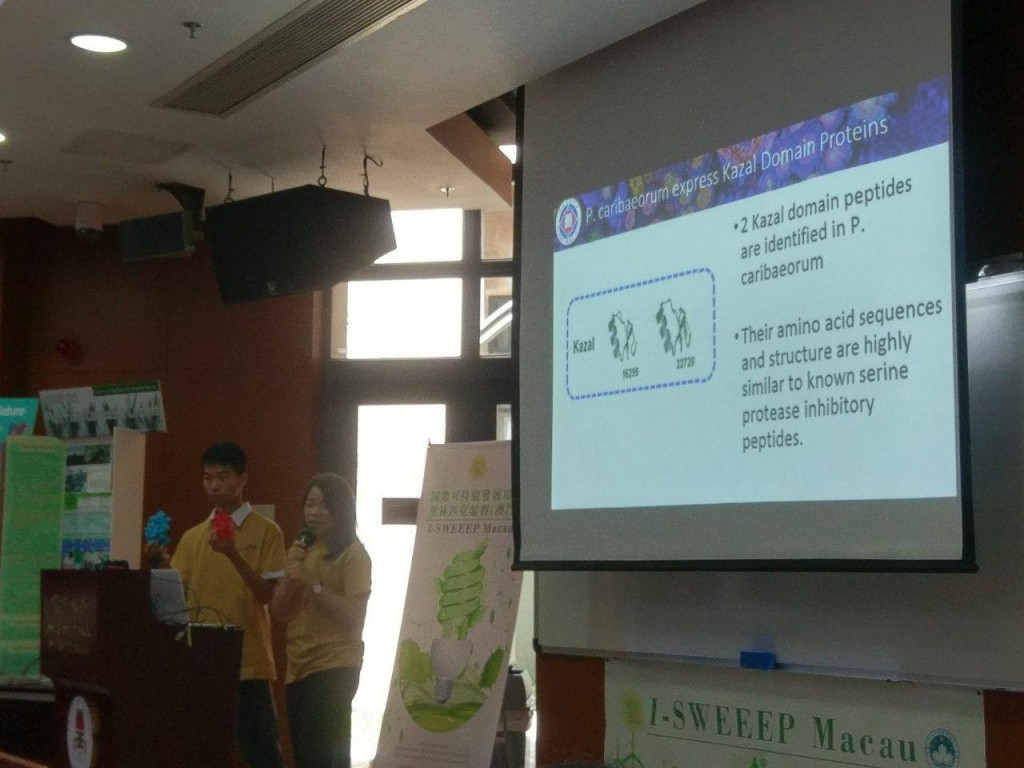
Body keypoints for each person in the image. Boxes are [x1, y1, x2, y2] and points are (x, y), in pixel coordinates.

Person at [169, 441, 288, 768]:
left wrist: (232, 553)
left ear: (242, 479)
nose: (213, 485)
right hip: (202, 661)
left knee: (262, 754)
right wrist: (157, 560)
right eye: (207, 478)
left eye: (222, 477)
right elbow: (176, 594)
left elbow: (266, 595)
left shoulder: (267, 531)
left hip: (248, 661)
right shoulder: (193, 536)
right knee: (202, 753)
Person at [271, 473, 371, 768]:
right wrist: (291, 575)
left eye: (324, 505)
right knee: (305, 757)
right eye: (310, 504)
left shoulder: (354, 554)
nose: (314, 512)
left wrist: (313, 583)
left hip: (335, 665)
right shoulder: (301, 550)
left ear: (341, 510)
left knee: (327, 757)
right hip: (298, 666)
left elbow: (354, 617)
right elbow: (278, 613)